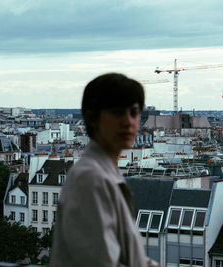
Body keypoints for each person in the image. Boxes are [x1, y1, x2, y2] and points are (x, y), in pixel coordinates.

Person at [51, 73, 152, 267]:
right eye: (117, 112)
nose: (128, 121)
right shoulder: (91, 178)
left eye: (134, 112)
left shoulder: (102, 172)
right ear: (92, 118)